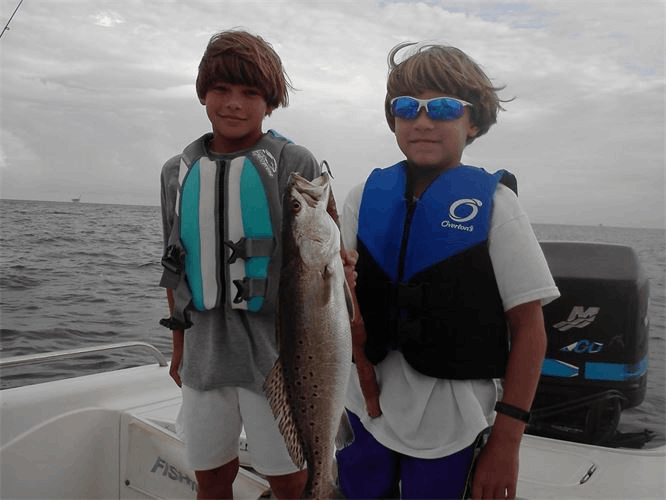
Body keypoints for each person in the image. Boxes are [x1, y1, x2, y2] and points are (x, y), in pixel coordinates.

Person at [336, 42, 560, 500]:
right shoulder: (362, 197)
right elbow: (335, 307)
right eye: (407, 107)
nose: (422, 120)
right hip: (362, 410)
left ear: (473, 121)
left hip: (452, 424)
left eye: (442, 107)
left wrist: (507, 442)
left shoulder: (497, 206)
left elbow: (530, 329)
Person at [158, 29, 320, 499]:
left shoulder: (295, 161)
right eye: (221, 89)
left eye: (250, 93)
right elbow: (173, 266)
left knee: (290, 481)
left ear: (270, 103)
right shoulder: (175, 171)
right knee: (210, 477)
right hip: (205, 355)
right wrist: (178, 349)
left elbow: (318, 271)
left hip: (279, 357)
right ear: (202, 94)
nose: (233, 103)